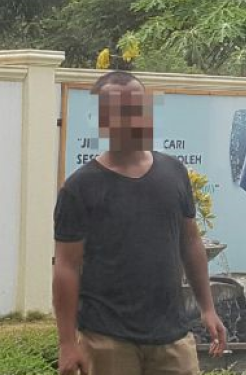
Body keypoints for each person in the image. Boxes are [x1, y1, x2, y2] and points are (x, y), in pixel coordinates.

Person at [52, 71, 226, 375]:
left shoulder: (174, 172)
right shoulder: (79, 188)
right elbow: (66, 266)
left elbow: (190, 242)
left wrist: (207, 308)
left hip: (172, 338)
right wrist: (67, 342)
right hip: (106, 340)